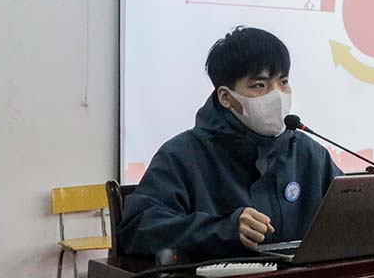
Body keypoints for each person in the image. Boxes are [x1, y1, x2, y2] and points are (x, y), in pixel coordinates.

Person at [118, 26, 343, 260]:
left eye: (283, 82)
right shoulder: (183, 155)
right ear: (226, 97)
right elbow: (138, 228)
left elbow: (352, 215)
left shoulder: (308, 152)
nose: (277, 95)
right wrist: (225, 229)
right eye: (259, 85)